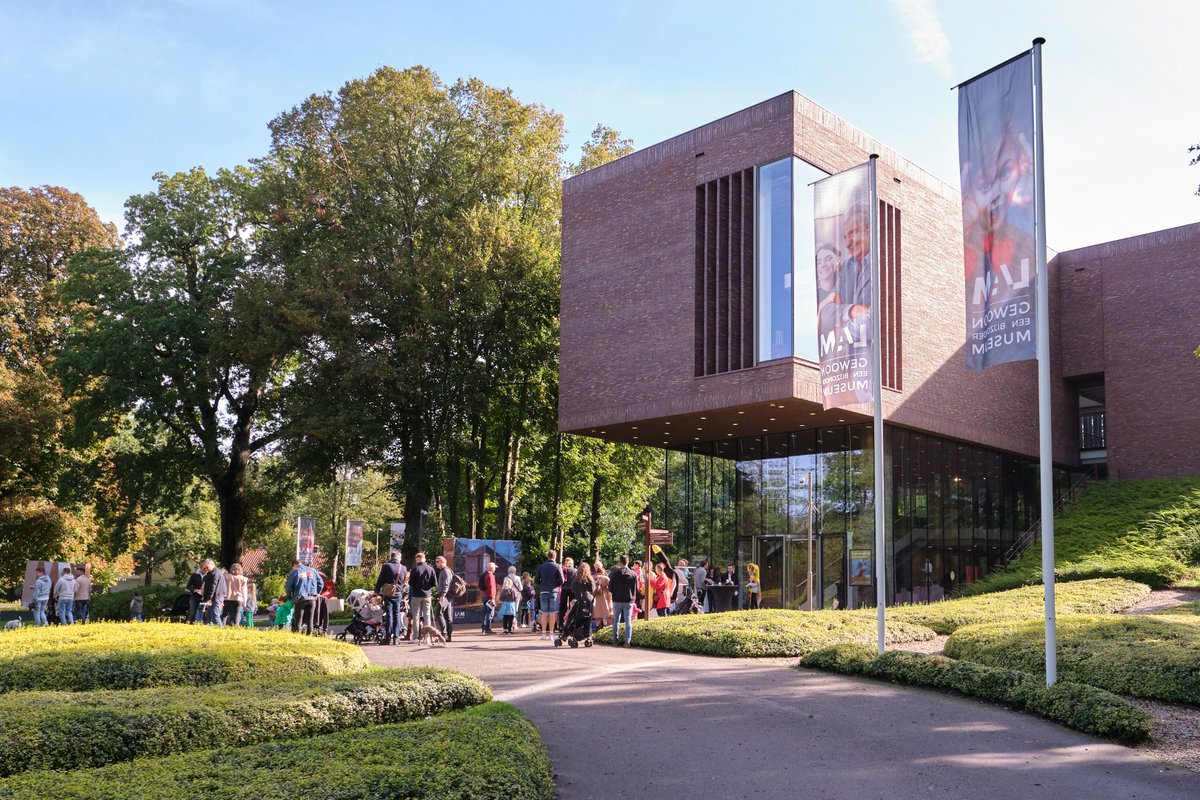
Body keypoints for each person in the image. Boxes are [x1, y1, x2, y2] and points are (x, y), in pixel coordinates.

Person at [375, 551, 407, 644]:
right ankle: (396, 638)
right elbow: (404, 580)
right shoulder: (403, 568)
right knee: (396, 615)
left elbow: (381, 579)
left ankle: (388, 638)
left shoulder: (386, 566)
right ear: (399, 558)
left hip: (388, 593)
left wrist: (376, 591)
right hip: (398, 593)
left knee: (389, 615)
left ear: (392, 557)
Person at [284, 559, 323, 634]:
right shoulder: (313, 571)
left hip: (300, 598)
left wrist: (289, 597)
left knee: (298, 620)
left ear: (294, 565)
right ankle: (309, 636)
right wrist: (316, 593)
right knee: (310, 620)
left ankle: (297, 636)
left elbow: (289, 587)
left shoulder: (295, 572)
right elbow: (321, 583)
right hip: (312, 598)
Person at [608, 556, 638, 646]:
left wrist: (615, 593)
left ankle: (615, 640)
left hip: (617, 599)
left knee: (616, 620)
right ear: (628, 562)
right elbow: (635, 588)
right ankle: (627, 640)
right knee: (628, 620)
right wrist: (633, 597)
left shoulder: (614, 574)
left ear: (620, 562)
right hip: (628, 600)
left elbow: (610, 588)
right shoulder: (633, 574)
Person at [407, 551, 437, 641]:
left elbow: (410, 583)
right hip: (427, 595)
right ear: (425, 559)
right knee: (427, 616)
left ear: (417, 559)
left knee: (416, 616)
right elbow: (434, 583)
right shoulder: (430, 569)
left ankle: (415, 637)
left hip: (416, 595)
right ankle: (427, 637)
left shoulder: (414, 569)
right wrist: (427, 588)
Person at [535, 549, 564, 641]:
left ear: (548, 556)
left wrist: (543, 584)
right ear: (555, 556)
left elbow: (536, 580)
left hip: (543, 591)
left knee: (544, 612)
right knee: (552, 613)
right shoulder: (557, 566)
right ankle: (551, 634)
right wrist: (556, 584)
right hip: (553, 591)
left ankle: (543, 633)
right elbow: (562, 580)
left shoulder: (541, 566)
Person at [200, 559, 228, 627]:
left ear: (212, 564)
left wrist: (209, 598)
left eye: (207, 567)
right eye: (204, 568)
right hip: (214, 597)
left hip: (216, 597)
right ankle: (211, 631)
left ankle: (220, 632)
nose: (206, 569)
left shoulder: (215, 573)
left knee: (215, 615)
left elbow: (213, 587)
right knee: (209, 616)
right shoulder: (212, 573)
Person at [434, 554, 454, 642]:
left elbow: (446, 584)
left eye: (437, 562)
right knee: (447, 615)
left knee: (438, 613)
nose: (436, 563)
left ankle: (444, 634)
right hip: (448, 596)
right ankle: (448, 636)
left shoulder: (445, 571)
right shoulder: (445, 570)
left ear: (442, 562)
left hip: (445, 596)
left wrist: (443, 595)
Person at [498, 565, 521, 634]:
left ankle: (505, 628)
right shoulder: (518, 578)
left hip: (506, 601)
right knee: (514, 611)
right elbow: (521, 588)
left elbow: (503, 588)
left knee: (505, 614)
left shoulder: (506, 578)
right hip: (514, 597)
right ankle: (514, 625)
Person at [591, 561, 612, 632]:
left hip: (595, 598)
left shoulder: (592, 578)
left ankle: (597, 628)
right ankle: (605, 629)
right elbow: (610, 588)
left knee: (597, 616)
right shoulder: (606, 578)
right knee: (605, 615)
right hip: (605, 598)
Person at [478, 561, 497, 634]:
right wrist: (492, 598)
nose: (495, 569)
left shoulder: (484, 574)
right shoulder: (490, 576)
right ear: (492, 569)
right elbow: (491, 587)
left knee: (486, 612)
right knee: (490, 613)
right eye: (494, 568)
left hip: (485, 596)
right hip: (489, 597)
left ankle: (484, 627)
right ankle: (488, 629)